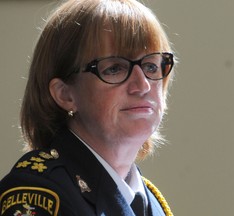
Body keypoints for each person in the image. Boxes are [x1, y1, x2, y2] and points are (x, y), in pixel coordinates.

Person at [0, 0, 176, 215]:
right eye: (114, 69)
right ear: (65, 94)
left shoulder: (151, 201)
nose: (143, 85)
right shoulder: (41, 192)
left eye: (151, 66)